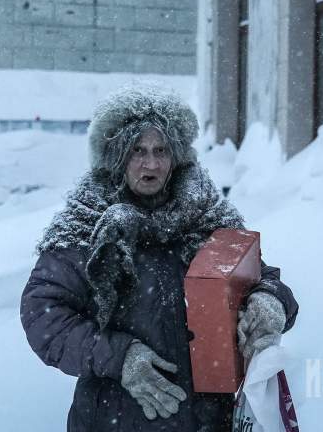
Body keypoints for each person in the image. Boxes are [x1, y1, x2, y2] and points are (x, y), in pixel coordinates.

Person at [20, 83, 298, 432]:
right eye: (137, 150)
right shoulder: (86, 224)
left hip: (209, 420)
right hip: (115, 419)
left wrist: (270, 300)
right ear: (116, 156)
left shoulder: (205, 216)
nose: (150, 163)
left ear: (176, 156)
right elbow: (44, 317)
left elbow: (260, 277)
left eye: (161, 150)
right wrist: (119, 357)